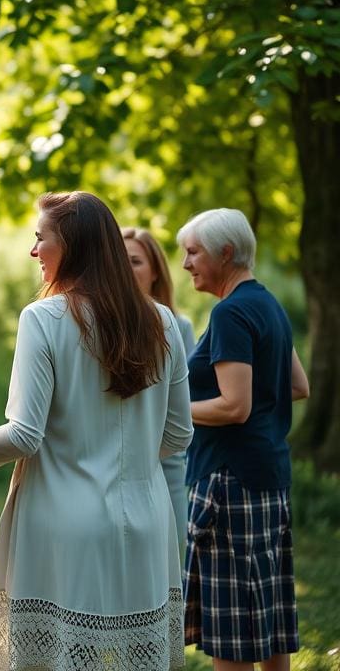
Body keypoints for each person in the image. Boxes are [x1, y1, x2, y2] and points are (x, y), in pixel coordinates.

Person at [0, 192, 192, 671]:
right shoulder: (162, 321)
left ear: (72, 245)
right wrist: (132, 457)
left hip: (60, 524)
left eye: (40, 238)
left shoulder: (42, 319)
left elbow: (24, 435)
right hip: (146, 521)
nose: (33, 251)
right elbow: (179, 434)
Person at [177, 208, 309, 671]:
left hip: (229, 484)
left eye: (193, 252)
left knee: (231, 635)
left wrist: (165, 413)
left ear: (226, 252)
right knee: (268, 621)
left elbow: (235, 406)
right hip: (268, 476)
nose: (186, 263)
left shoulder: (230, 312)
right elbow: (298, 385)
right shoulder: (268, 304)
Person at [122, 226, 197, 554]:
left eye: (135, 261)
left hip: (165, 464)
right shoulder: (99, 326)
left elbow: (186, 405)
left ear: (155, 272)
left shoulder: (178, 327)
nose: (126, 269)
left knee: (168, 564)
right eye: (119, 260)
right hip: (107, 467)